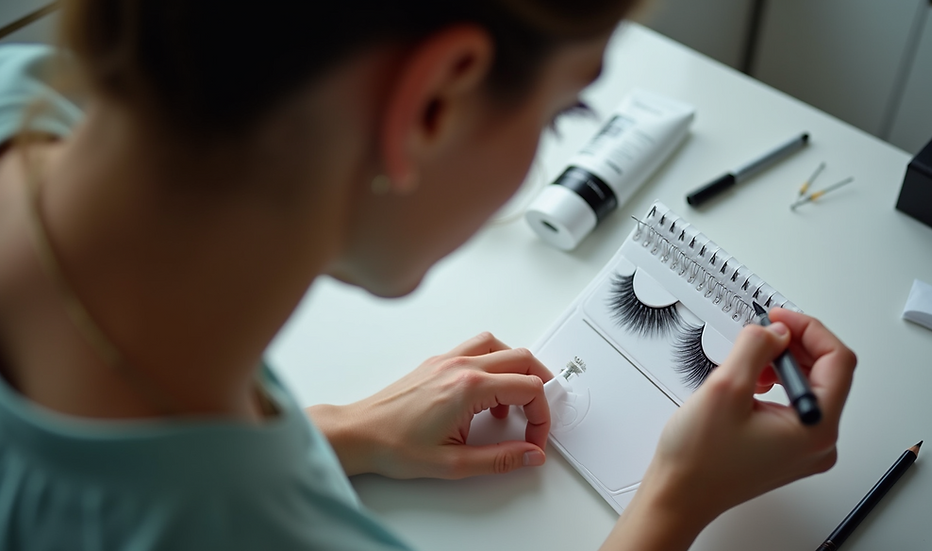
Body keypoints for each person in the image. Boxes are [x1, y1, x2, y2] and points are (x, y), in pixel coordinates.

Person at [0, 1, 857, 549]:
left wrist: (339, 432)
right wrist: (675, 495)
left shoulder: (24, 97)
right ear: (437, 100)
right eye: (567, 111)